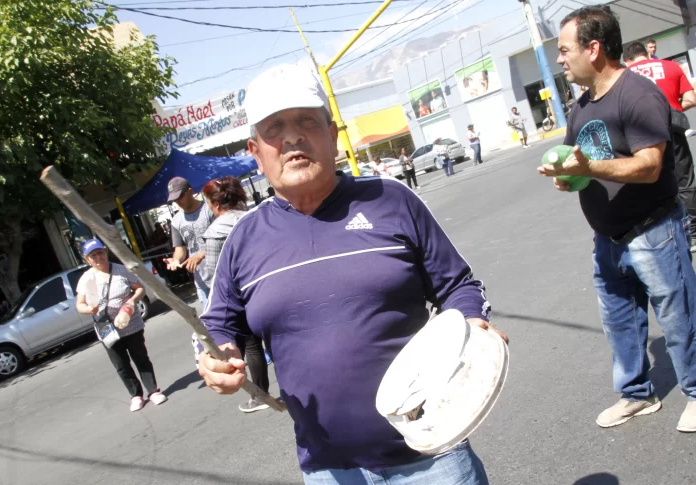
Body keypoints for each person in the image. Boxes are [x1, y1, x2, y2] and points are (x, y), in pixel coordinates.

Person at [198, 63, 507, 484]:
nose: (292, 137)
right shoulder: (243, 239)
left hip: (432, 453)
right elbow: (217, 323)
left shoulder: (391, 200)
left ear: (333, 135)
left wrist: (473, 326)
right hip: (327, 468)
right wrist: (220, 356)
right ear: (255, 151)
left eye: (306, 121)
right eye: (275, 128)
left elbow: (458, 285)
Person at [539, 5, 696, 433]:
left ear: (594, 48)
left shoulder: (637, 94)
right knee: (619, 321)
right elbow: (579, 161)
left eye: (566, 50)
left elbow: (649, 166)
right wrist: (567, 178)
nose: (561, 59)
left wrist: (587, 170)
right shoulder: (581, 105)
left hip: (653, 230)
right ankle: (637, 395)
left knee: (678, 315)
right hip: (608, 238)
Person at [194, 176, 271, 413]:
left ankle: (260, 395)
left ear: (215, 205)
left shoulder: (215, 232)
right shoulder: (261, 218)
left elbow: (216, 277)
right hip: (269, 290)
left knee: (252, 347)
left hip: (240, 298)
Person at [623, 41, 696, 252]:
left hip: (641, 137)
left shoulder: (623, 76)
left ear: (627, 59)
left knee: (650, 184)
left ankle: (664, 235)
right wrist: (673, 107)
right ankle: (694, 236)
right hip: (673, 131)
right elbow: (691, 99)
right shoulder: (671, 67)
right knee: (685, 181)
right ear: (645, 53)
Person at [75, 239, 167, 412]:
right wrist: (89, 309)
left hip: (130, 324)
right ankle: (136, 395)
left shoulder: (120, 270)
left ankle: (153, 391)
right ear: (87, 260)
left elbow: (140, 289)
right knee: (121, 365)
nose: (98, 257)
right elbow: (79, 305)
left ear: (105, 252)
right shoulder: (86, 279)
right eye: (93, 255)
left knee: (140, 357)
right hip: (107, 329)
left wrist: (131, 302)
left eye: (100, 252)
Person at [163, 177, 215, 309]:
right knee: (213, 326)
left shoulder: (210, 209)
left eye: (180, 196)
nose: (178, 202)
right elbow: (180, 249)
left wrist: (199, 256)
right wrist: (176, 260)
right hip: (202, 282)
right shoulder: (176, 221)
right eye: (174, 199)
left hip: (222, 276)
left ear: (190, 191)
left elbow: (220, 240)